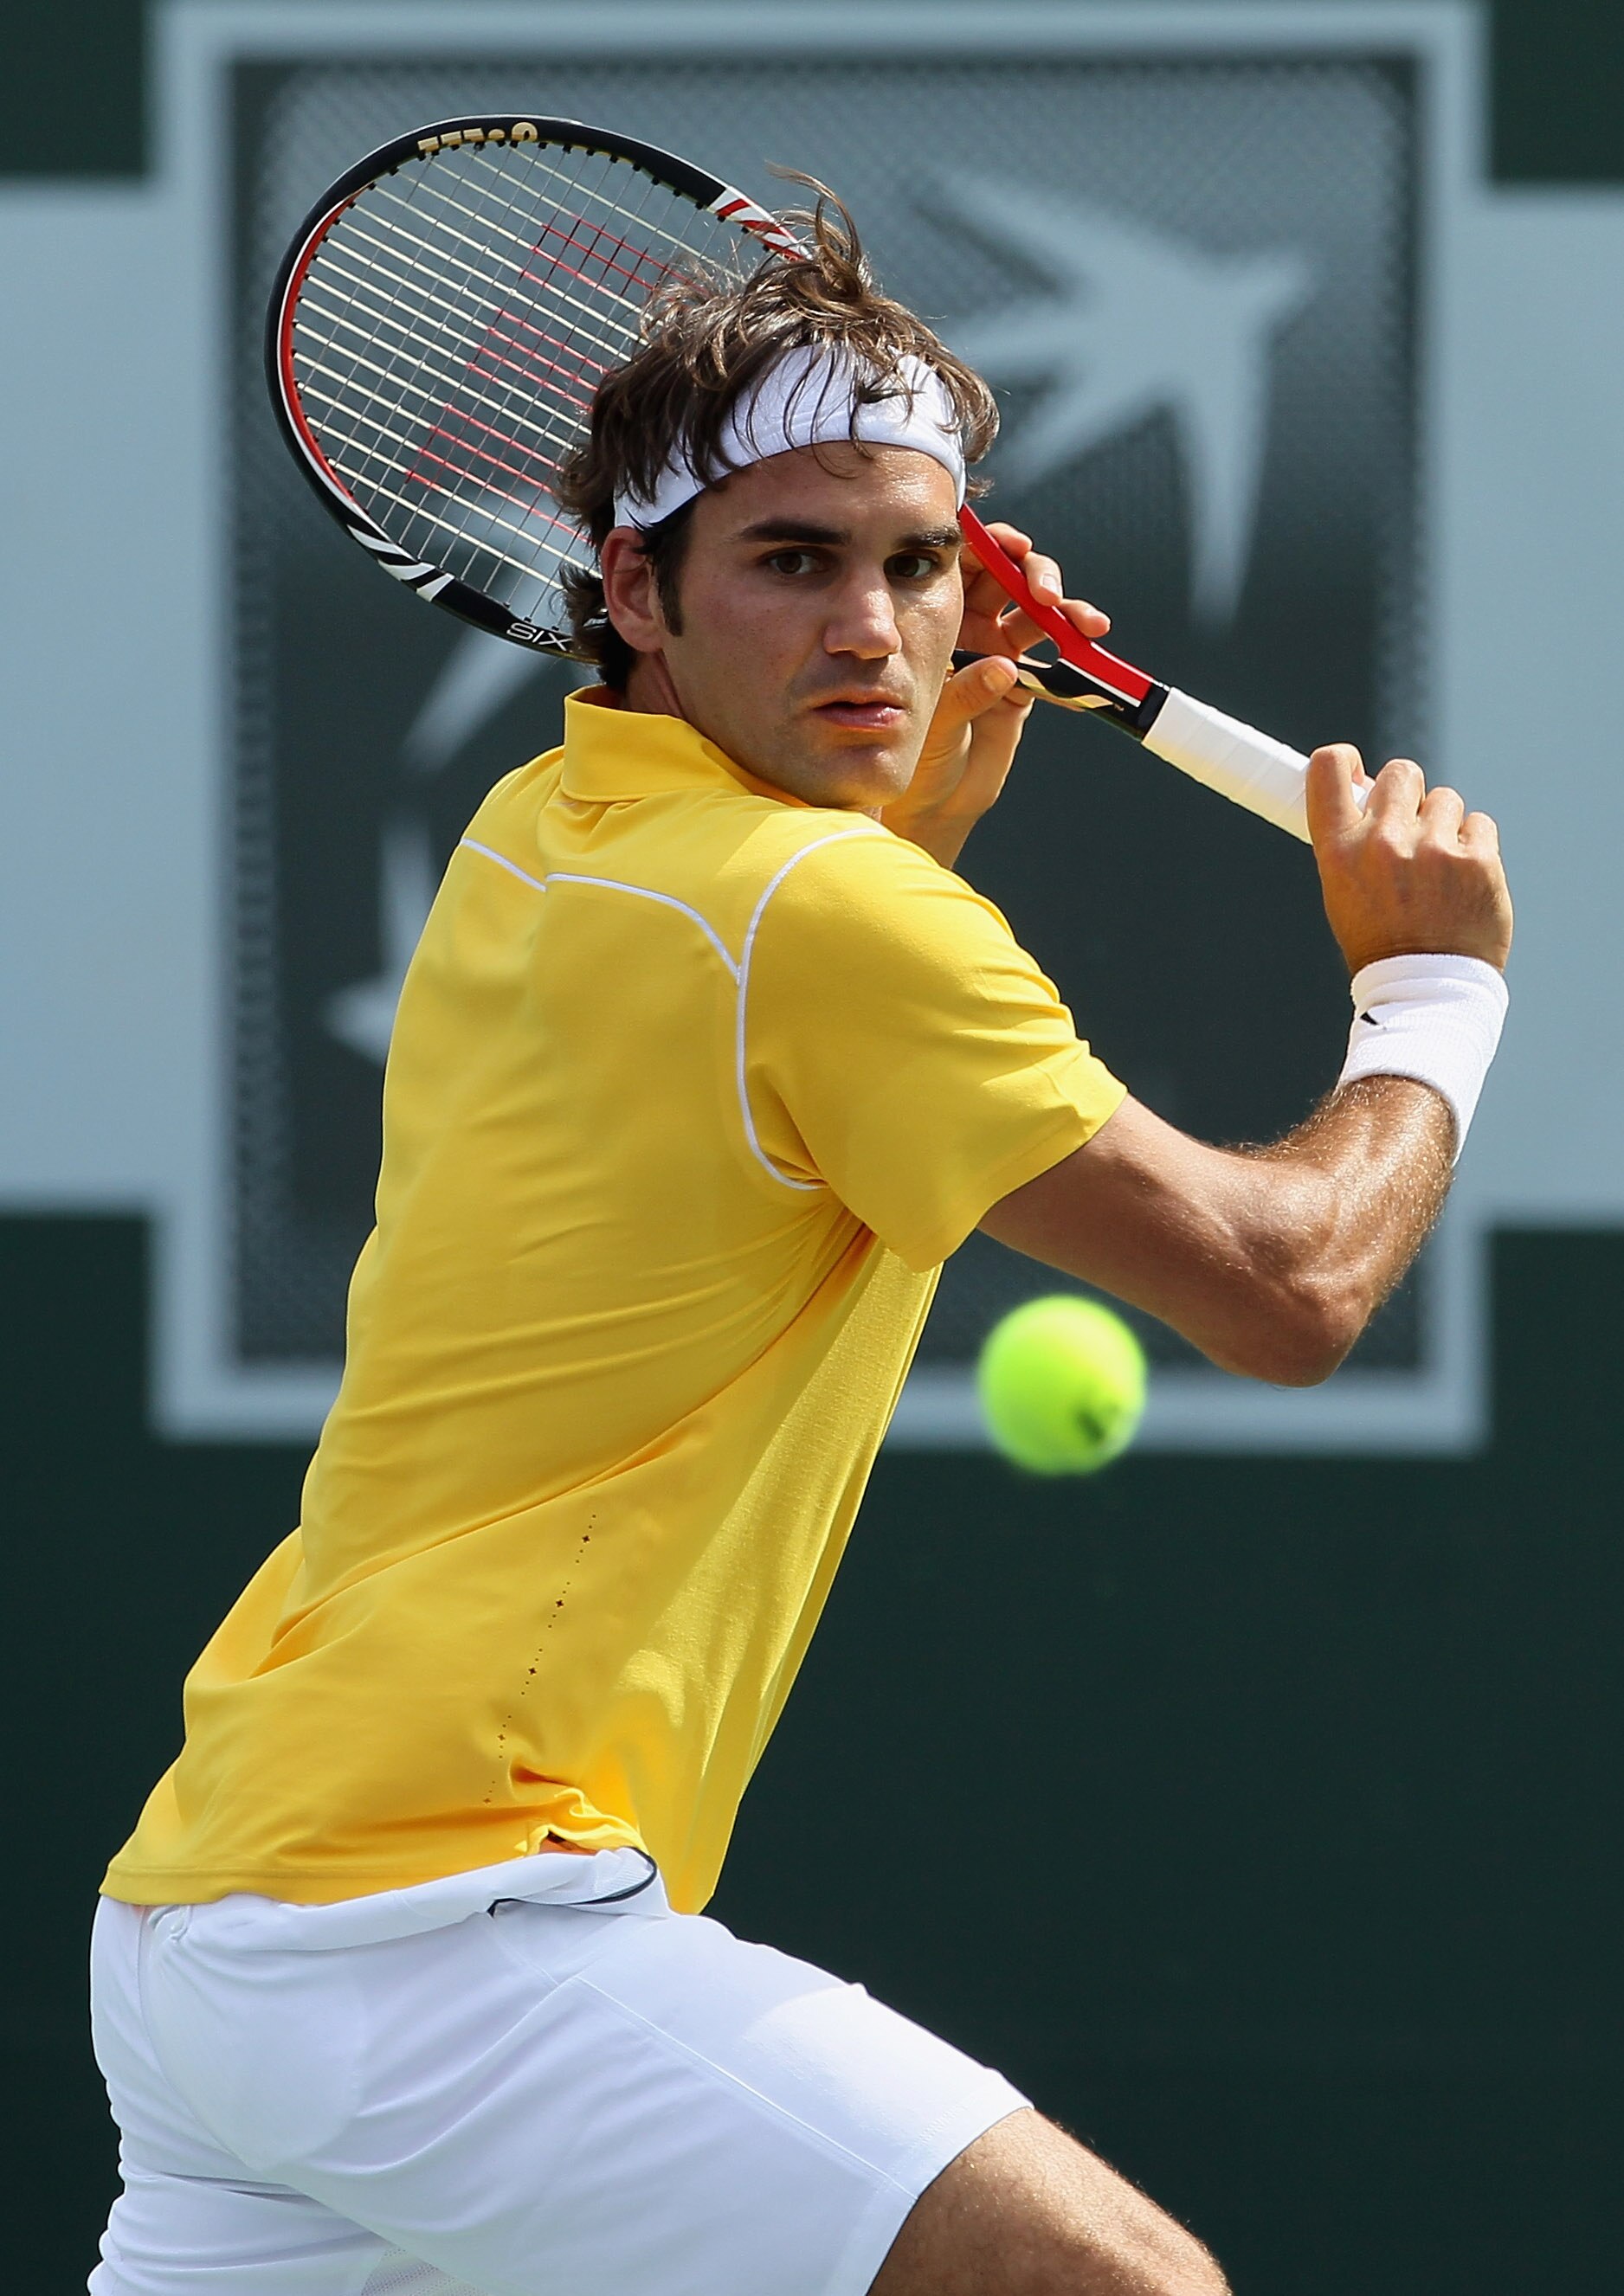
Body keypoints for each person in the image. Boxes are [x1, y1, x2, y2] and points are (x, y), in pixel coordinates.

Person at [88, 197, 1511, 2296]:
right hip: (431, 1922)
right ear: (632, 593)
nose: (868, 625)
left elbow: (755, 1044)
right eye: (790, 560)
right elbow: (1287, 1288)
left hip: (217, 1927)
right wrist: (1431, 992)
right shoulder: (827, 920)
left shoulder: (550, 829)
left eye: (915, 565)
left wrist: (892, 821)